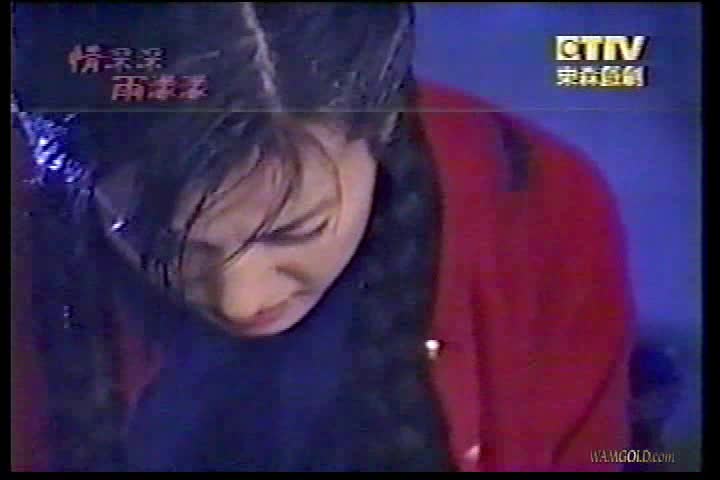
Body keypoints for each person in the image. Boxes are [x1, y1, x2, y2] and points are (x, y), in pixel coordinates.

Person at [11, 3, 635, 472]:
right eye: (159, 242)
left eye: (295, 232)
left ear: (381, 121)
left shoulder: (532, 205)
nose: (240, 300)